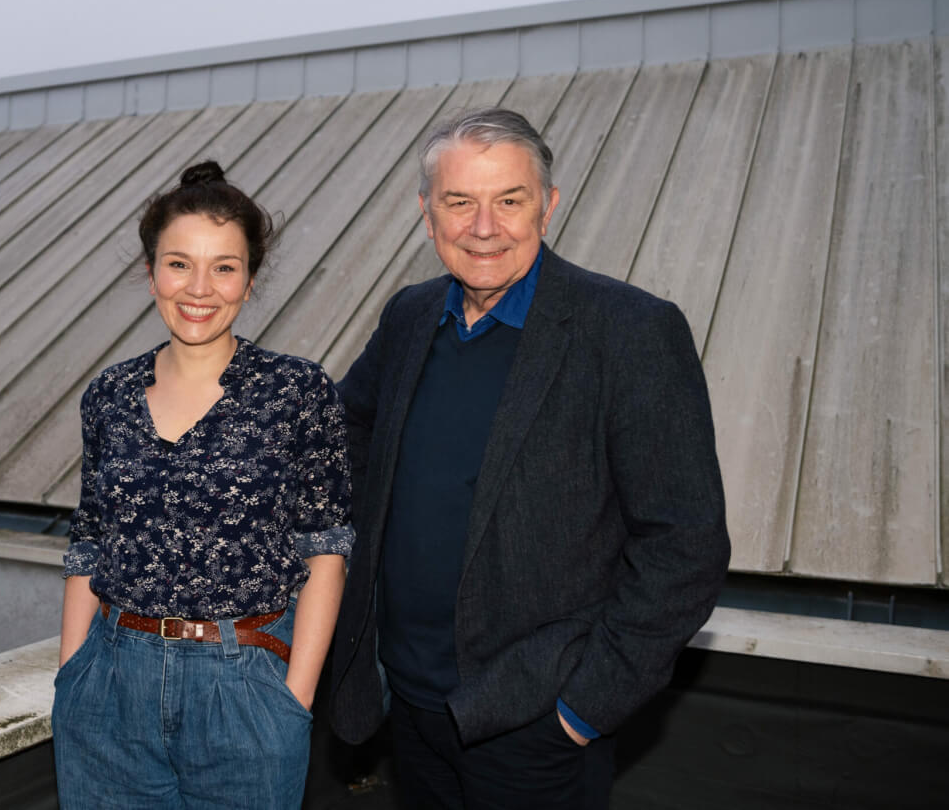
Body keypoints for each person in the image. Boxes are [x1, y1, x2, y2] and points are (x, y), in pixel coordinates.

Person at [327, 108, 730, 809]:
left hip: (534, 721)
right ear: (427, 213)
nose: (484, 227)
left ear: (548, 205)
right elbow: (340, 438)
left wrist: (584, 710)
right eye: (459, 201)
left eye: (510, 201)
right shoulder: (410, 317)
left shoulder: (630, 331)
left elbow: (685, 544)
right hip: (407, 709)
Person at [53, 161, 353, 810]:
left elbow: (325, 549)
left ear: (250, 279)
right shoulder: (108, 394)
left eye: (224, 267)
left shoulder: (297, 391)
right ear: (151, 272)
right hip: (109, 687)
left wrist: (294, 700)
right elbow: (89, 541)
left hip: (245, 692)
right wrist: (72, 674)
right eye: (179, 263)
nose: (199, 288)